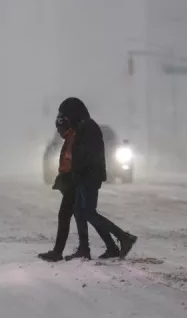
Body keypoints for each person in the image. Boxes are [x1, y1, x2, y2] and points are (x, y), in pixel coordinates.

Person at [58, 97, 137, 260]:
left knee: (89, 213)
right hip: (83, 176)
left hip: (89, 177)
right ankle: (92, 248)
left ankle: (123, 237)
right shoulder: (82, 127)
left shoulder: (88, 127)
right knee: (80, 212)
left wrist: (77, 171)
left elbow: (87, 155)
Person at [38, 114, 122, 262]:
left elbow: (77, 160)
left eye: (61, 128)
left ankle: (121, 238)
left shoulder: (77, 135)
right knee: (79, 213)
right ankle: (100, 247)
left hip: (80, 180)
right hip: (77, 179)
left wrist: (71, 175)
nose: (59, 132)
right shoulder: (73, 136)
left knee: (85, 213)